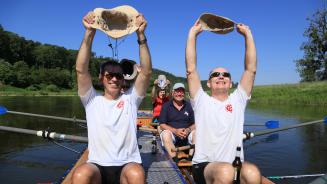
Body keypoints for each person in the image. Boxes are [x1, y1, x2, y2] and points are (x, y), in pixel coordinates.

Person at [72, 11, 152, 184]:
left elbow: (146, 72)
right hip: (98, 166)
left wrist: (141, 35)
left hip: (127, 165)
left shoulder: (131, 99)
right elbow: (81, 70)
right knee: (79, 175)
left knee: (137, 174)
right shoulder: (91, 100)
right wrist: (89, 32)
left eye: (118, 76)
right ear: (101, 77)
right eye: (110, 75)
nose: (114, 79)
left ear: (123, 79)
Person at [185, 19, 262, 184]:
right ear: (208, 83)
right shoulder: (201, 100)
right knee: (225, 172)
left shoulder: (238, 99)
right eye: (215, 75)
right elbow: (191, 70)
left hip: (233, 164)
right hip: (204, 166)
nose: (221, 76)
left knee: (253, 173)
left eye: (225, 75)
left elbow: (251, 69)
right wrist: (192, 35)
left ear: (231, 82)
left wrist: (248, 35)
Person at [158, 83, 195, 162]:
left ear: (184, 93)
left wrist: (188, 130)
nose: (179, 94)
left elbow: (195, 124)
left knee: (197, 133)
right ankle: (175, 160)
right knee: (165, 134)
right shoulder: (166, 106)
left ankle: (191, 158)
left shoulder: (189, 106)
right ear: (173, 93)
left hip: (187, 134)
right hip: (172, 134)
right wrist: (175, 131)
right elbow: (162, 124)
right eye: (177, 91)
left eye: (181, 91)